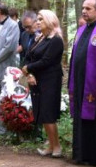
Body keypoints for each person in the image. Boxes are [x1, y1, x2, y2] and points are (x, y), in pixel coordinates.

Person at [69, 0, 96, 166]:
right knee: (80, 118)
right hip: (79, 83)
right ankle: (81, 154)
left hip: (94, 86)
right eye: (83, 8)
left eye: (88, 8)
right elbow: (75, 57)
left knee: (95, 120)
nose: (84, 11)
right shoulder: (81, 30)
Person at [22, 9, 65, 157]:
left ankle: (57, 146)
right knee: (41, 113)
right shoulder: (40, 38)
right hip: (36, 80)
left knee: (48, 113)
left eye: (41, 19)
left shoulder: (56, 40)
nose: (38, 22)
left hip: (50, 80)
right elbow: (28, 56)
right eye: (37, 19)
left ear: (49, 21)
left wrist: (28, 68)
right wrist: (30, 73)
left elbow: (47, 61)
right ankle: (50, 145)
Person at [0, 2, 20, 126]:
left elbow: (9, 47)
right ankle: (0, 126)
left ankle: (8, 127)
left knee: (6, 99)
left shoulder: (13, 25)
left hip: (5, 68)